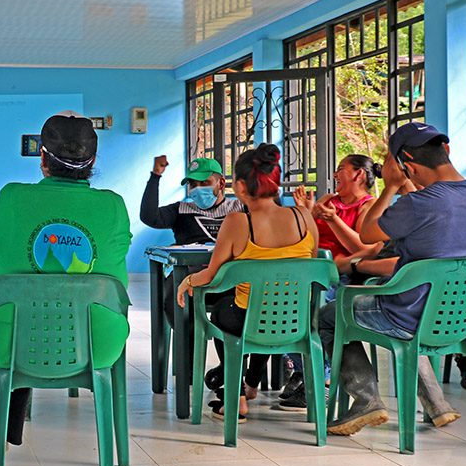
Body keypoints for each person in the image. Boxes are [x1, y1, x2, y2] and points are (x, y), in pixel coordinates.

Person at [321, 122, 466, 436]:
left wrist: (388, 187)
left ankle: (366, 399)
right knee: (407, 307)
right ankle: (436, 404)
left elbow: (367, 232)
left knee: (328, 317)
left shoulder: (417, 203)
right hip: (462, 318)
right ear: (447, 151)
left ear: (406, 166)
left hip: (405, 317)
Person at [0, 111, 132, 445]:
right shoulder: (114, 205)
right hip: (97, 343)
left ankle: (1, 434)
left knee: (17, 306)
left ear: (42, 158)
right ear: (92, 160)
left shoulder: (10, 197)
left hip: (15, 341)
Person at [177, 144, 319, 421]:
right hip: (297, 320)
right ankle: (251, 386)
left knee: (224, 310)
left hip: (249, 319)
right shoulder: (304, 216)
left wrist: (188, 281)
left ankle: (236, 397)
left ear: (240, 187)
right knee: (268, 309)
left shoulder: (237, 222)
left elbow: (212, 276)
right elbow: (309, 268)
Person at [140, 155, 245, 358]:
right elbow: (149, 216)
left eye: (204, 183)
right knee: (174, 301)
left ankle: (233, 368)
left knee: (240, 306)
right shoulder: (181, 209)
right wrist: (155, 176)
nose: (197, 189)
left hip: (230, 277)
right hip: (189, 277)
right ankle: (190, 364)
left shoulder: (239, 209)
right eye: (192, 184)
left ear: (221, 183)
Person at [293, 154, 380, 268]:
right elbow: (307, 238)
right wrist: (305, 213)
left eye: (340, 169)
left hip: (337, 271)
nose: (334, 175)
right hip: (308, 262)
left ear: (359, 174)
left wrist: (333, 220)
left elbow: (366, 249)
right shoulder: (327, 199)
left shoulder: (370, 205)